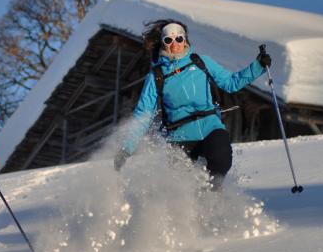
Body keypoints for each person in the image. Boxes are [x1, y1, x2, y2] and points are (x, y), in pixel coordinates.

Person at [114, 19, 271, 192]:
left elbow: (230, 83)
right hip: (179, 136)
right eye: (168, 40)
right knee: (182, 187)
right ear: (163, 43)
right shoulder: (156, 75)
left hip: (210, 126)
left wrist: (257, 66)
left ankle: (213, 197)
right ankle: (189, 211)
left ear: (185, 39)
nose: (175, 44)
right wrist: (126, 147)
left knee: (221, 159)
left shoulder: (200, 62)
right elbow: (143, 114)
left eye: (179, 39)